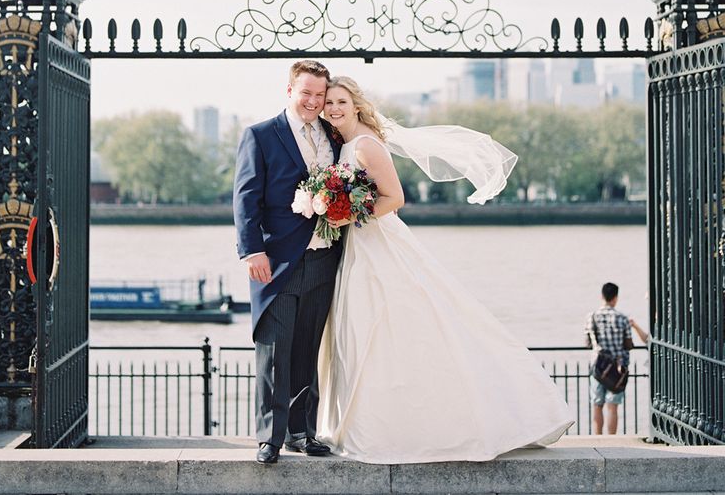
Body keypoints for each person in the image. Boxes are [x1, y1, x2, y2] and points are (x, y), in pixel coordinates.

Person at [315, 76, 573, 463]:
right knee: (364, 330)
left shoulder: (366, 145)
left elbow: (396, 198)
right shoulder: (345, 144)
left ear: (355, 104)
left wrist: (346, 214)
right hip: (358, 247)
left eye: (340, 101)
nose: (333, 108)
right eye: (328, 103)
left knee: (395, 323)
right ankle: (372, 422)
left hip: (377, 245)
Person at [233, 60, 343, 464]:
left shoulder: (334, 135)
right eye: (306, 93)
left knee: (306, 350)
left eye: (320, 94)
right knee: (274, 352)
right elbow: (245, 197)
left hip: (324, 258)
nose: (313, 101)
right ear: (290, 91)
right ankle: (270, 438)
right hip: (274, 262)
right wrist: (251, 251)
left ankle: (302, 432)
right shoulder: (261, 135)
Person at [584, 282, 646, 435]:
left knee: (597, 404)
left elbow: (588, 342)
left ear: (602, 296)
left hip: (598, 367)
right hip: (617, 368)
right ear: (615, 298)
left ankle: (597, 438)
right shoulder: (623, 318)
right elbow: (628, 344)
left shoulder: (591, 317)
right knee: (613, 405)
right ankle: (611, 439)